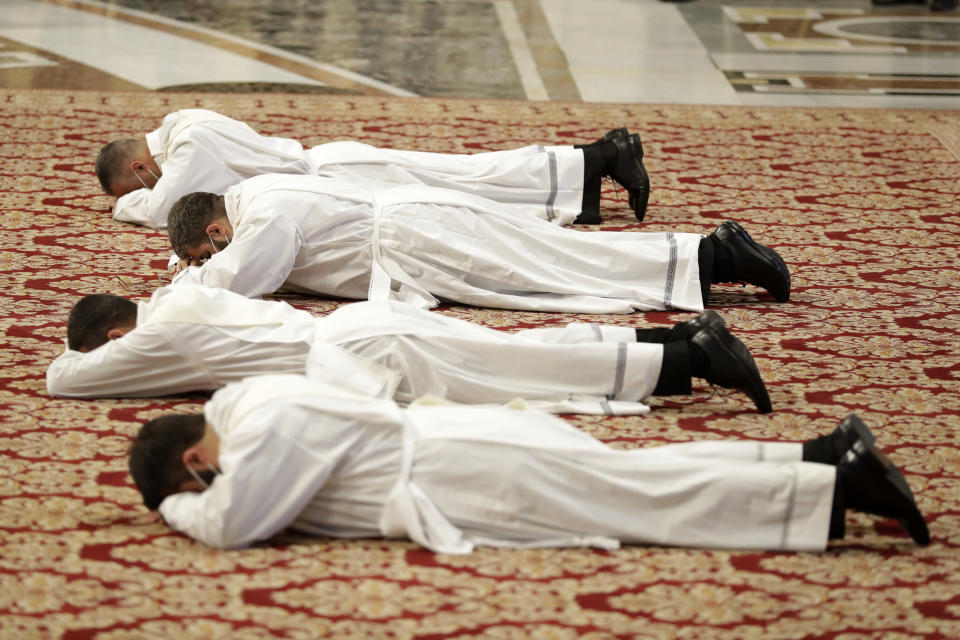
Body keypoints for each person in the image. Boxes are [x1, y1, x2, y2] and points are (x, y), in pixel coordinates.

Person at [128, 374, 930, 552]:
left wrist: (176, 510)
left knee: (646, 503)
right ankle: (819, 457)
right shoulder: (252, 401)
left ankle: (835, 486)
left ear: (197, 460)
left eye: (199, 480)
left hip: (463, 470)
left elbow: (233, 526)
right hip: (463, 451)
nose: (211, 486)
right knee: (637, 478)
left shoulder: (262, 432)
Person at [47, 284, 772, 413]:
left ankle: (694, 359)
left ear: (118, 335)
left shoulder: (163, 334)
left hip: (362, 356)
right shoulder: (179, 298)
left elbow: (65, 381)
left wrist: (82, 354)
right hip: (361, 329)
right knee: (523, 350)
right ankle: (677, 339)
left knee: (527, 368)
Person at [165, 174, 790, 314]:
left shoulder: (265, 217)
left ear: (218, 231)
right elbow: (226, 258)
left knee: (558, 269)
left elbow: (239, 281)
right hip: (421, 225)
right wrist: (188, 261)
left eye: (201, 253)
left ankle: (716, 254)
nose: (200, 264)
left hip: (422, 239)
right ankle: (710, 256)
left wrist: (191, 279)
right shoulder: (249, 196)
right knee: (556, 259)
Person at [95, 108, 649, 228]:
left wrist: (127, 203)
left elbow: (167, 207)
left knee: (470, 183)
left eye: (139, 179)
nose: (148, 184)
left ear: (141, 164)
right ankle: (600, 158)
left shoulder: (186, 148)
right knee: (467, 178)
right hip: (330, 165)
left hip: (331, 175)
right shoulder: (182, 120)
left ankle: (601, 160)